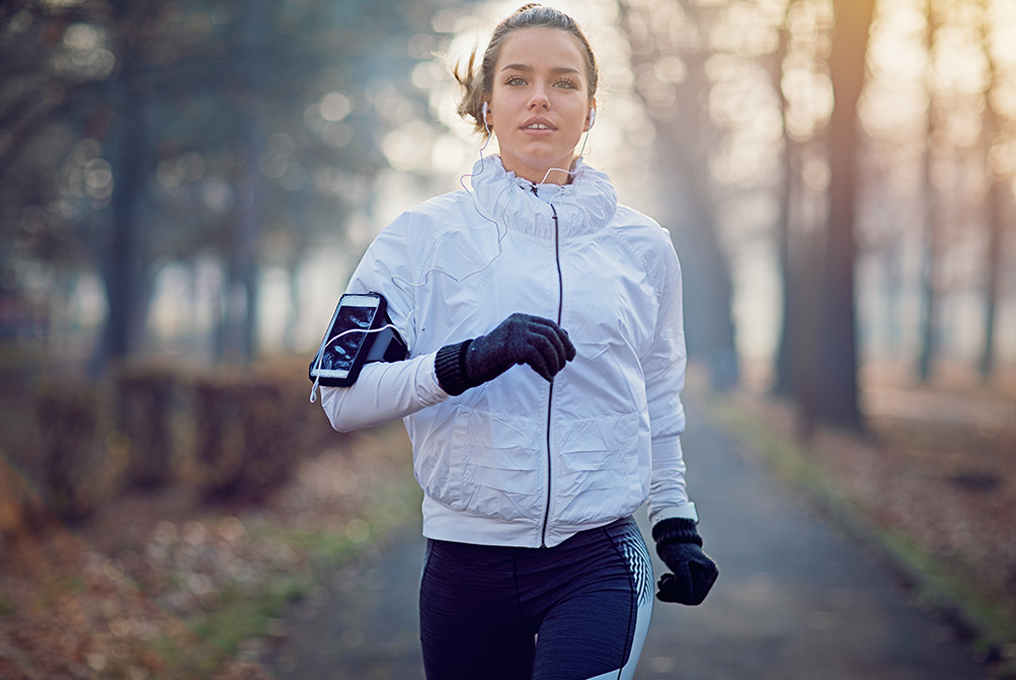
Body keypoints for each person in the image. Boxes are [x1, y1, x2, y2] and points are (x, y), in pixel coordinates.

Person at [315, 4, 718, 679]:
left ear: (590, 108)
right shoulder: (418, 239)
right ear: (485, 104)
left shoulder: (645, 247)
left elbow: (656, 398)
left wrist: (675, 522)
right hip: (463, 568)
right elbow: (342, 401)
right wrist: (466, 361)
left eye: (564, 82)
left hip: (597, 560)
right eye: (517, 80)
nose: (541, 97)